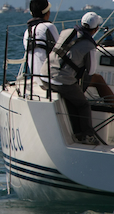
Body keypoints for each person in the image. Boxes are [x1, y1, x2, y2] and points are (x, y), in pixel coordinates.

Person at [44, 11, 106, 144]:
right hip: (60, 81)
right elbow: (91, 70)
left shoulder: (65, 32)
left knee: (73, 99)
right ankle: (87, 136)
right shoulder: (90, 46)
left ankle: (77, 133)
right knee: (83, 104)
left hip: (43, 75)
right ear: (95, 29)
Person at [23, 0, 59, 80]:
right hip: (51, 79)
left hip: (36, 78)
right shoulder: (49, 27)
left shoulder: (27, 32)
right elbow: (60, 49)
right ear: (48, 12)